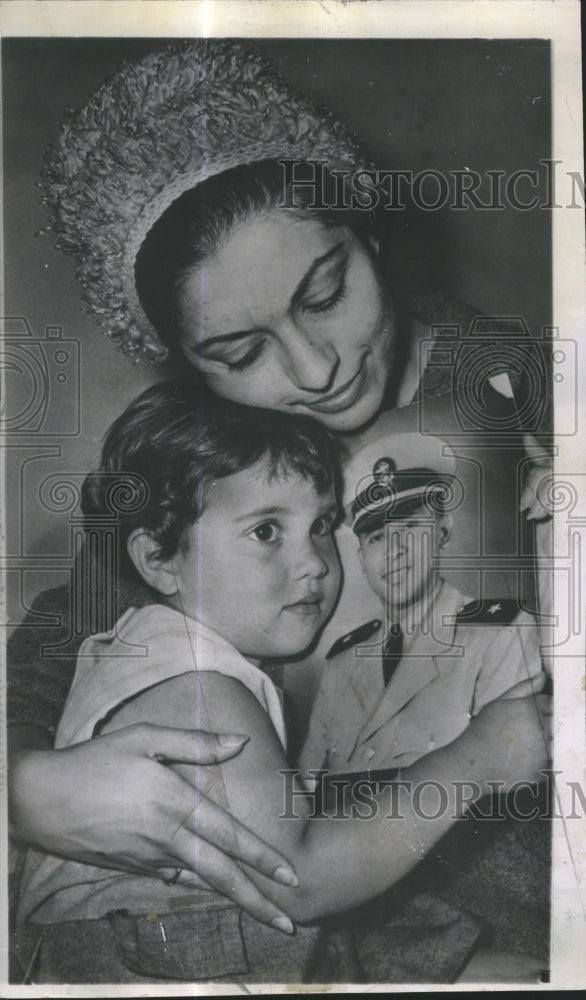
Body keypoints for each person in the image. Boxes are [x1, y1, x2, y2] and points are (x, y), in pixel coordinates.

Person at [7, 38, 553, 939]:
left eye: (326, 292)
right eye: (240, 352)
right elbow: (61, 639)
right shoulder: (203, 454)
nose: (318, 368)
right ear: (183, 362)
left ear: (372, 233)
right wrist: (22, 784)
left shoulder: (533, 388)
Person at [16, 381, 549, 984]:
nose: (316, 562)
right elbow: (298, 880)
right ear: (159, 559)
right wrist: (477, 762)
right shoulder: (191, 683)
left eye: (322, 525)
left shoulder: (156, 651)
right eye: (267, 531)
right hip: (140, 957)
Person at [300, 432, 546, 781]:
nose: (393, 551)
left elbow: (513, 789)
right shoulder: (342, 663)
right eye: (376, 537)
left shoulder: (501, 635)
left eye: (411, 527)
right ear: (361, 558)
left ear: (442, 532)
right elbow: (307, 791)